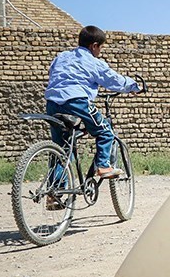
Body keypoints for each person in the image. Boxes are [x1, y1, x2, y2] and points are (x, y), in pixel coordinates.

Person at [44, 25, 141, 188]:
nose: (100, 51)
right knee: (105, 131)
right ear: (94, 45)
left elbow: (53, 73)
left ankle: (55, 192)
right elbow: (114, 80)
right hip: (76, 101)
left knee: (62, 148)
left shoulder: (62, 57)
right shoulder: (93, 62)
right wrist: (134, 86)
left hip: (52, 103)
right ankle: (103, 166)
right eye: (101, 47)